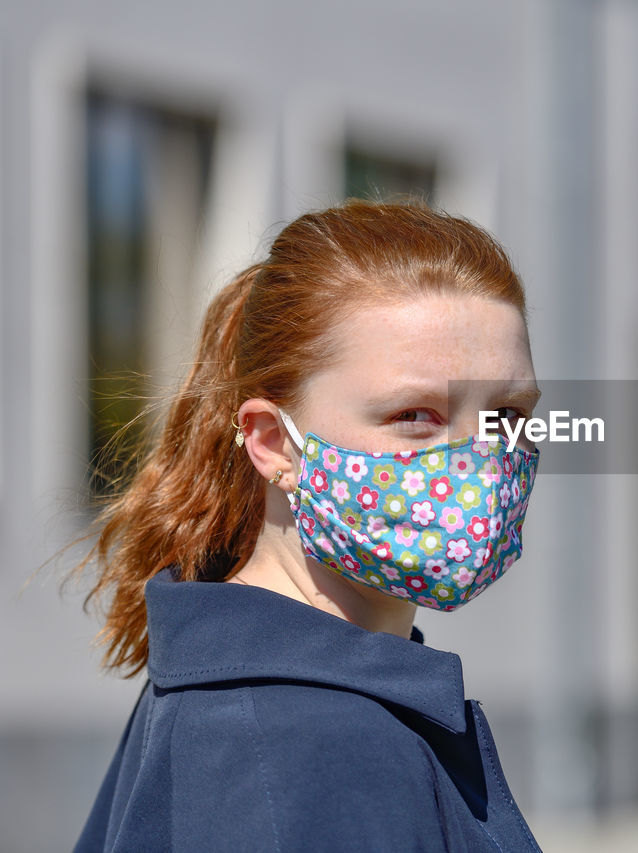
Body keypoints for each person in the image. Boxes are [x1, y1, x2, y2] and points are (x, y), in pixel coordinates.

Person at [73, 199, 544, 852]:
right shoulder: (310, 746)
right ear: (273, 442)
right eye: (415, 414)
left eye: (508, 415)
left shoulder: (239, 698)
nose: (481, 459)